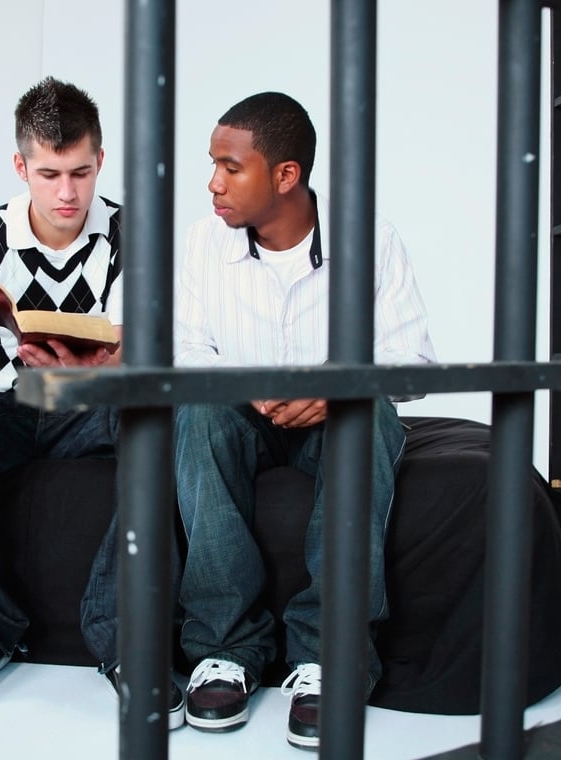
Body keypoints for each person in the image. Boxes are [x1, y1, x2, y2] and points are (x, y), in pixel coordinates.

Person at [0, 76, 183, 727]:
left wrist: (116, 367)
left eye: (81, 173)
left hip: (92, 411)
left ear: (100, 162)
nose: (67, 193)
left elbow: (159, 363)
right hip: (3, 408)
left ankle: (123, 636)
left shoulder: (134, 236)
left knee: (167, 414)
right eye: (50, 173)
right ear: (20, 166)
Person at [173, 92, 437, 750]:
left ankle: (330, 659)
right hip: (244, 419)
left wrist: (337, 384)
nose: (213, 183)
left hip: (333, 425)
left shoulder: (369, 238)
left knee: (366, 413)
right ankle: (227, 649)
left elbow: (413, 361)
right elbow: (183, 350)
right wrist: (245, 382)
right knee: (195, 410)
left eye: (231, 167)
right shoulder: (203, 241)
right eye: (213, 164)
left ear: (285, 175)